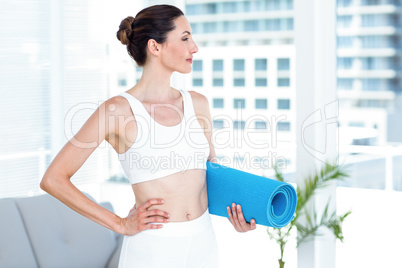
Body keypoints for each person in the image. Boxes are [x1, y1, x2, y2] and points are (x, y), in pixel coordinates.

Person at [40, 4, 256, 268]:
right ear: (155, 47)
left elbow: (209, 175)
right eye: (185, 38)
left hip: (204, 245)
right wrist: (119, 223)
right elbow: (53, 179)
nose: (195, 47)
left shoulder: (198, 104)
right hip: (153, 251)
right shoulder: (117, 111)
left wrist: (239, 212)